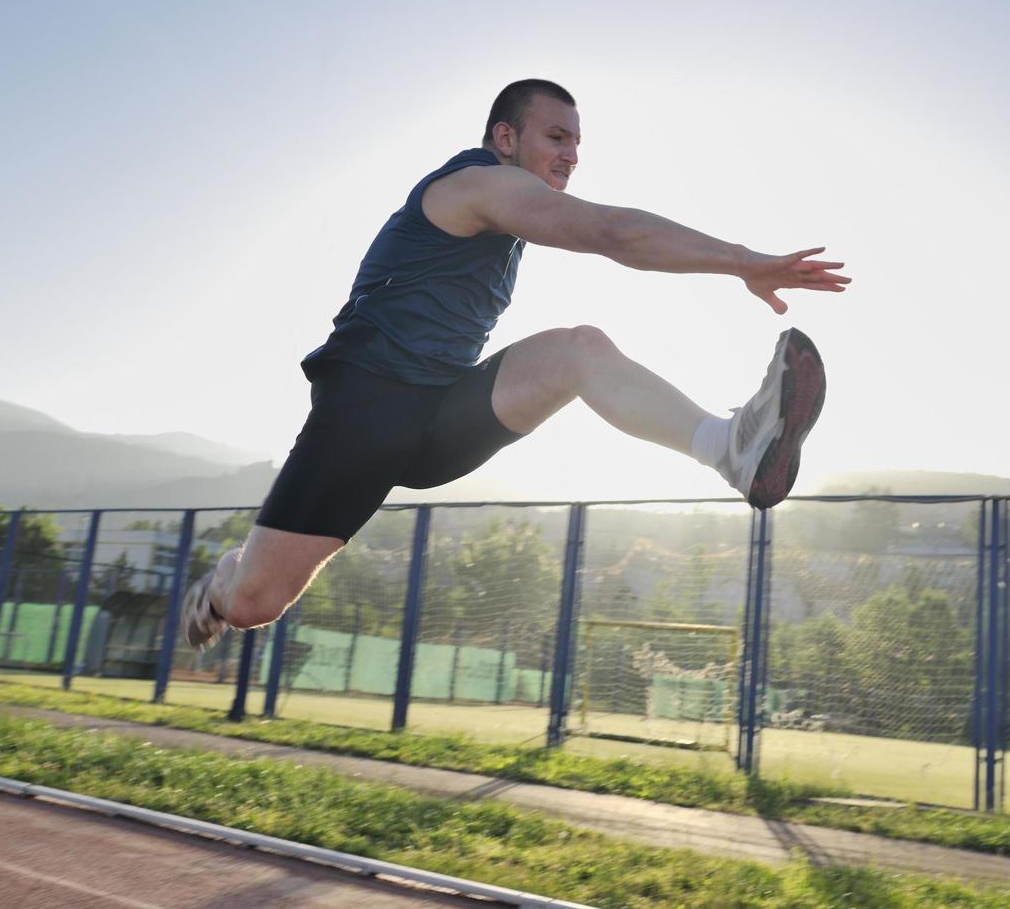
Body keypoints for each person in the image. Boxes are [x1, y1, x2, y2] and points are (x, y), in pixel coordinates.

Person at [183, 79, 849, 649]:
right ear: (505, 138)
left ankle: (727, 448)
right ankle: (224, 579)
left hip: (443, 416)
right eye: (556, 137)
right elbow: (612, 233)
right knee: (254, 605)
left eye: (578, 145)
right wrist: (742, 261)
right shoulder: (475, 185)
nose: (570, 156)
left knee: (576, 351)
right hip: (365, 411)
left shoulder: (508, 218)